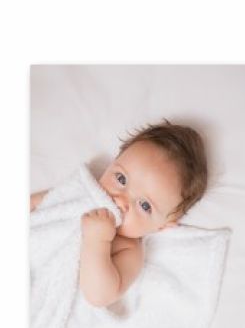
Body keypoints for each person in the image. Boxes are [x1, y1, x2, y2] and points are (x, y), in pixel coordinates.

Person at [30, 119, 208, 308]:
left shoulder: (129, 250)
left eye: (145, 206)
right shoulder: (79, 193)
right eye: (121, 179)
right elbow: (39, 203)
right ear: (113, 163)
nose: (120, 201)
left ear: (163, 225)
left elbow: (99, 296)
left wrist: (97, 242)